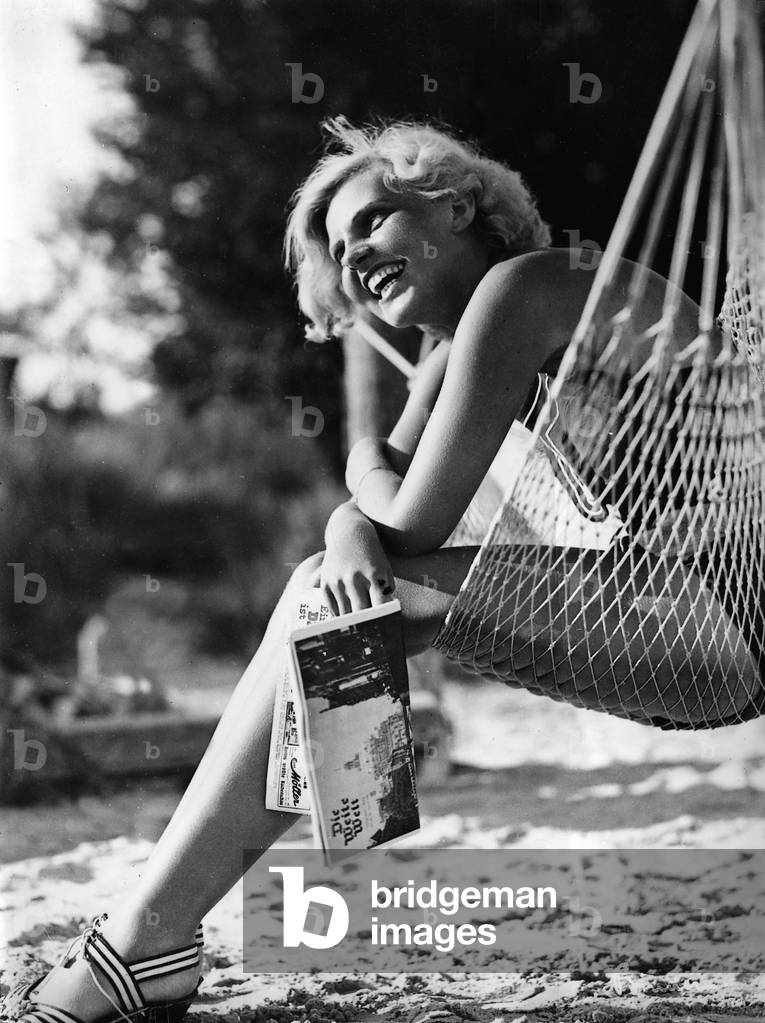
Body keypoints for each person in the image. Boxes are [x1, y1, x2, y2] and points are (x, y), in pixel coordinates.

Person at [4, 116, 753, 1023]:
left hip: (721, 607)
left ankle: (147, 940)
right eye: (338, 247)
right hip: (676, 620)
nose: (353, 254)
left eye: (372, 220)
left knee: (339, 596)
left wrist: (357, 507)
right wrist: (349, 516)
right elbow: (378, 498)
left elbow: (404, 520)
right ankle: (175, 919)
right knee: (328, 592)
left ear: (457, 206)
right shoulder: (451, 353)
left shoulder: (528, 287)